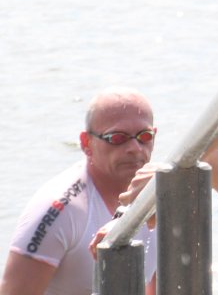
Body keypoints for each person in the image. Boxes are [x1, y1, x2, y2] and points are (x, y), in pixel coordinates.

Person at [2, 87, 158, 295]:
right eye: (117, 138)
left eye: (144, 136)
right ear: (86, 143)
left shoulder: (160, 194)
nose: (135, 148)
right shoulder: (59, 210)